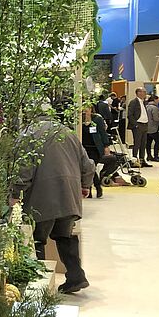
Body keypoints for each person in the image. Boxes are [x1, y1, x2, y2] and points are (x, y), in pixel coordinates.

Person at [12, 112, 95, 294]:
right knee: (65, 236)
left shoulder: (29, 133)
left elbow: (24, 168)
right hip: (69, 195)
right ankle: (76, 276)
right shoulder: (68, 133)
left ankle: (39, 284)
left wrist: (15, 192)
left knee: (36, 239)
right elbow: (88, 164)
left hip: (42, 197)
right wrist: (85, 185)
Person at [81, 106, 123, 197]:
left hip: (95, 148)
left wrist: (106, 145)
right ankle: (94, 188)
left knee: (92, 168)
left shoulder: (97, 119)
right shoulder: (79, 120)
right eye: (83, 111)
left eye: (86, 110)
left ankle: (94, 187)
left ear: (91, 110)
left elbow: (102, 133)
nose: (84, 112)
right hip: (84, 148)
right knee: (89, 168)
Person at [127, 88, 151, 166]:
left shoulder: (144, 102)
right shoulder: (133, 102)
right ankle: (134, 160)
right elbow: (130, 115)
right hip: (138, 125)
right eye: (144, 92)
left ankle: (142, 160)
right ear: (138, 93)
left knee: (143, 143)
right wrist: (135, 124)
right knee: (137, 143)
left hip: (144, 125)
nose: (145, 93)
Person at [146, 96, 159, 162]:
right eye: (157, 100)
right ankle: (156, 156)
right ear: (154, 100)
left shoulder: (146, 107)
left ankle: (149, 156)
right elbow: (155, 118)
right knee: (158, 141)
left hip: (147, 128)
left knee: (148, 143)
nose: (158, 101)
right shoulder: (155, 108)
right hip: (153, 128)